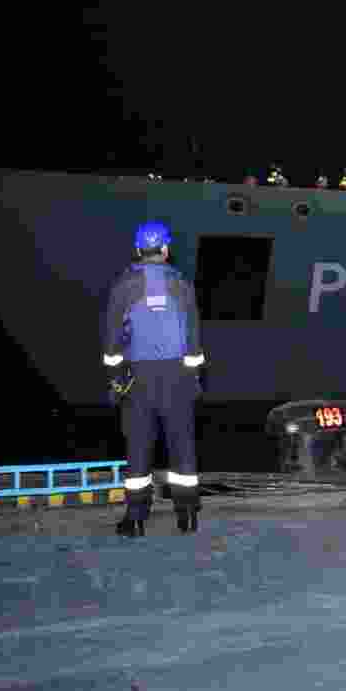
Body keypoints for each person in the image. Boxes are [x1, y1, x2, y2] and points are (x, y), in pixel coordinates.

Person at [103, 221, 207, 537]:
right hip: (178, 377)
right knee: (182, 446)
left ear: (138, 249)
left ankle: (135, 520)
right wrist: (194, 376)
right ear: (165, 249)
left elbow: (112, 341)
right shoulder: (181, 285)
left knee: (138, 448)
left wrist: (116, 378)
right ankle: (187, 517)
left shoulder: (124, 286)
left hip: (139, 378)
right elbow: (193, 337)